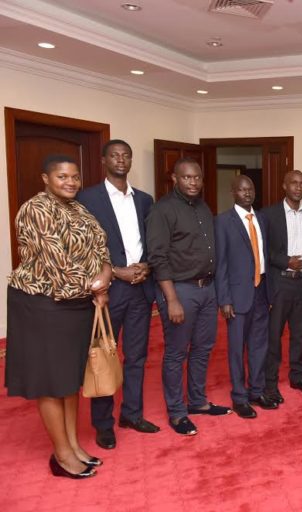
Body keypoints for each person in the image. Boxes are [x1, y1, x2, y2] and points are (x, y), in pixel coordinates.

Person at [6, 155, 112, 478]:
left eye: (75, 177)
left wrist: (106, 273)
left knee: (69, 380)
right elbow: (59, 266)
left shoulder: (79, 209)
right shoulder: (35, 209)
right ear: (46, 178)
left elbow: (101, 246)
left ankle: (74, 446)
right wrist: (97, 287)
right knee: (51, 381)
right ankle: (62, 455)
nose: (70, 182)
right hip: (43, 305)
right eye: (62, 176)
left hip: (77, 305)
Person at [77, 139, 158, 449]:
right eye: (115, 155)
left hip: (141, 288)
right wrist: (115, 271)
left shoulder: (145, 200)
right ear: (104, 160)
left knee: (136, 356)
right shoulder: (87, 198)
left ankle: (132, 414)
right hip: (110, 290)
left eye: (126, 155)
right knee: (104, 355)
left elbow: (151, 239)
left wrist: (147, 265)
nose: (121, 160)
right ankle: (103, 424)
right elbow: (83, 247)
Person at [147, 157, 231, 436]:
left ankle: (197, 402)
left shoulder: (203, 207)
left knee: (203, 348)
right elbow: (158, 257)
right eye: (187, 177)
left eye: (197, 177)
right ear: (175, 179)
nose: (193, 182)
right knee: (176, 352)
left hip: (207, 288)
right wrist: (171, 299)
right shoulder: (162, 210)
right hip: (180, 290)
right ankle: (177, 412)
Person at [214, 175, 275, 419]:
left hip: (261, 291)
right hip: (237, 296)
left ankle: (256, 391)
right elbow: (220, 263)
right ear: (233, 192)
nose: (247, 193)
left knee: (259, 345)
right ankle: (239, 397)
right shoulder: (222, 221)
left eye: (250, 189)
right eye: (241, 189)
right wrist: (224, 299)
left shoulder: (262, 219)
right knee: (237, 349)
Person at [263, 170, 302, 401]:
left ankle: (298, 376)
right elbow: (264, 250)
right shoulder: (269, 214)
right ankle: (269, 383)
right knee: (273, 335)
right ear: (284, 186)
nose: (298, 187)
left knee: (300, 334)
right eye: (294, 183)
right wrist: (286, 261)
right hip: (280, 282)